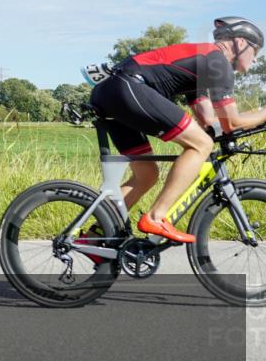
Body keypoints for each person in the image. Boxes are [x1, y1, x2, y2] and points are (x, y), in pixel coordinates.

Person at [89, 16, 265, 243]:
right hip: (129, 87)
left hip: (111, 91)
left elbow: (207, 119)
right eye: (256, 50)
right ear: (241, 43)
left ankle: (96, 234)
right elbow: (230, 121)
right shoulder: (218, 62)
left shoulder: (206, 61)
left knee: (147, 174)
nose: (255, 58)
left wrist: (223, 131)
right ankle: (156, 216)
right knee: (201, 144)